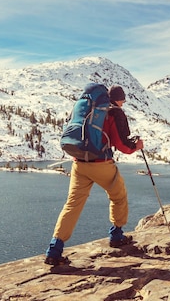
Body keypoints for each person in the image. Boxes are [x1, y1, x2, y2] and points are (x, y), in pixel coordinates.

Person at [45, 85, 144, 266]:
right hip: (101, 164)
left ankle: (54, 249)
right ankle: (116, 235)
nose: (123, 103)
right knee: (118, 196)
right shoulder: (115, 113)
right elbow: (123, 146)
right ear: (118, 99)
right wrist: (137, 146)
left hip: (79, 164)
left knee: (73, 204)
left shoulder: (86, 108)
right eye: (123, 99)